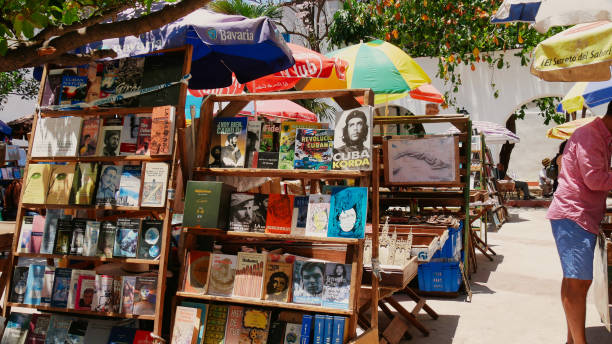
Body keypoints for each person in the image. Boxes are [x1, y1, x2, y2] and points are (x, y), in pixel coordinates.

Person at [547, 102, 612, 344]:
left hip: (577, 215)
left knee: (575, 281)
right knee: (578, 283)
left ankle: (572, 340)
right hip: (574, 215)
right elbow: (595, 179)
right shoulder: (591, 135)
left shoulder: (599, 136)